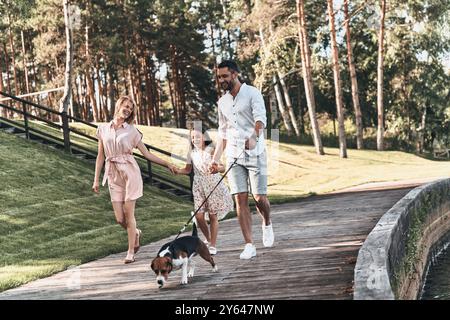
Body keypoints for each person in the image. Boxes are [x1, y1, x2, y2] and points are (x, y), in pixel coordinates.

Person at [92, 96, 177, 264]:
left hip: (130, 173)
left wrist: (167, 163)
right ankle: (136, 232)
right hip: (113, 175)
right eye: (126, 105)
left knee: (129, 213)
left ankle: (130, 251)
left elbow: (147, 154)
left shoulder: (132, 131)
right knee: (119, 218)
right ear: (119, 105)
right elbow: (100, 156)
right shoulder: (103, 129)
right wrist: (96, 180)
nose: (128, 109)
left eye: (131, 108)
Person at [208, 60, 274, 260]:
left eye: (225, 76)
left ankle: (267, 222)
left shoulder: (252, 93)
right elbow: (223, 134)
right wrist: (215, 159)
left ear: (235, 74)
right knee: (240, 198)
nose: (221, 80)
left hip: (256, 152)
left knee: (259, 198)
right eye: (219, 77)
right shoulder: (222, 102)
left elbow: (261, 119)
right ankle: (249, 244)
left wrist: (254, 137)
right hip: (234, 156)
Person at [174, 126, 234, 255]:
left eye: (198, 136)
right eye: (193, 137)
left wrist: (217, 169)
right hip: (199, 186)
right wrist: (177, 171)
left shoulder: (211, 150)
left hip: (213, 184)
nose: (195, 139)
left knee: (213, 215)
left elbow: (222, 167)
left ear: (204, 137)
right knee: (199, 215)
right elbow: (188, 170)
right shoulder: (191, 153)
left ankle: (212, 245)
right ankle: (208, 239)